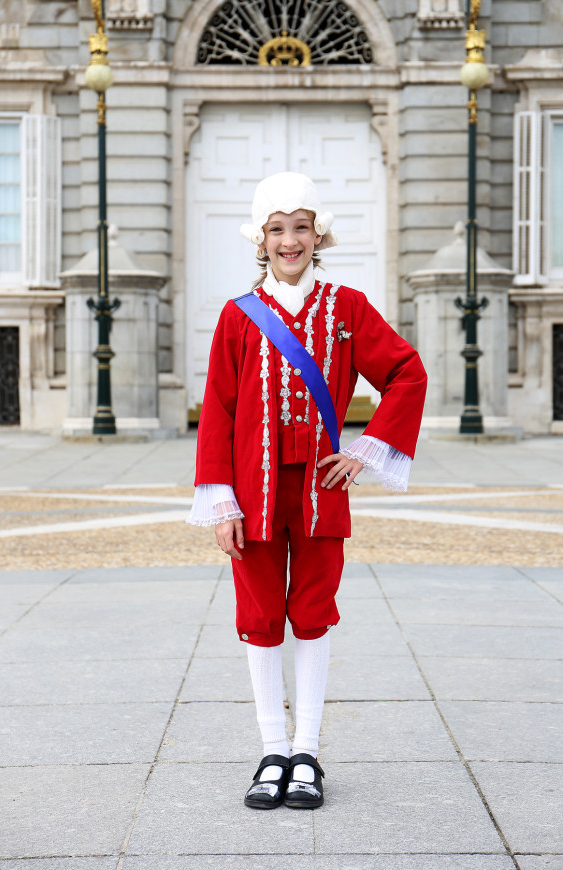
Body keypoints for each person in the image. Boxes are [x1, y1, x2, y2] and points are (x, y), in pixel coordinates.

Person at [187, 172, 427, 810]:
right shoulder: (238, 317)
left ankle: (308, 752)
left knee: (313, 614)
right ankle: (271, 750)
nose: (289, 240)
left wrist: (366, 450)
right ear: (261, 241)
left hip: (321, 492)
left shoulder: (346, 307)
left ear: (317, 234)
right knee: (260, 617)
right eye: (276, 229)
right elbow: (217, 410)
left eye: (301, 227)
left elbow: (406, 371)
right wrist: (218, 500)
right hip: (251, 493)